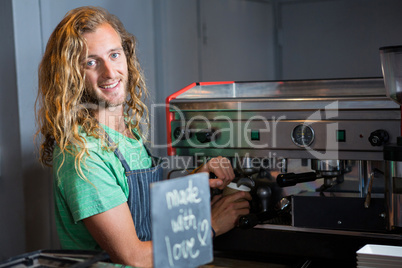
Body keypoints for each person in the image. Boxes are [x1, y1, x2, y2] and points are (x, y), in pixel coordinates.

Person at [36, 6, 251, 267]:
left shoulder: (125, 131)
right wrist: (211, 225)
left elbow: (143, 216)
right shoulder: (83, 154)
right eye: (91, 62)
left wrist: (193, 185)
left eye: (114, 55)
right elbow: (133, 256)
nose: (110, 72)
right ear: (70, 75)